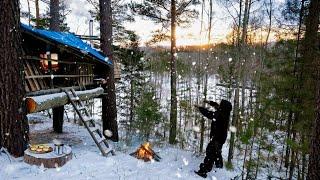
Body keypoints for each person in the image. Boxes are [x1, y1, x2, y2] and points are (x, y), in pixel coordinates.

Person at [194, 99, 232, 178]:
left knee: (210, 154)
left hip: (217, 139)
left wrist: (200, 108)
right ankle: (219, 164)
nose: (220, 105)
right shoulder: (225, 112)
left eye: (221, 104)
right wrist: (209, 102)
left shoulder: (220, 115)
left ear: (223, 107)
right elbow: (217, 106)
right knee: (216, 152)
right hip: (220, 138)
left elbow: (209, 114)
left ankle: (203, 171)